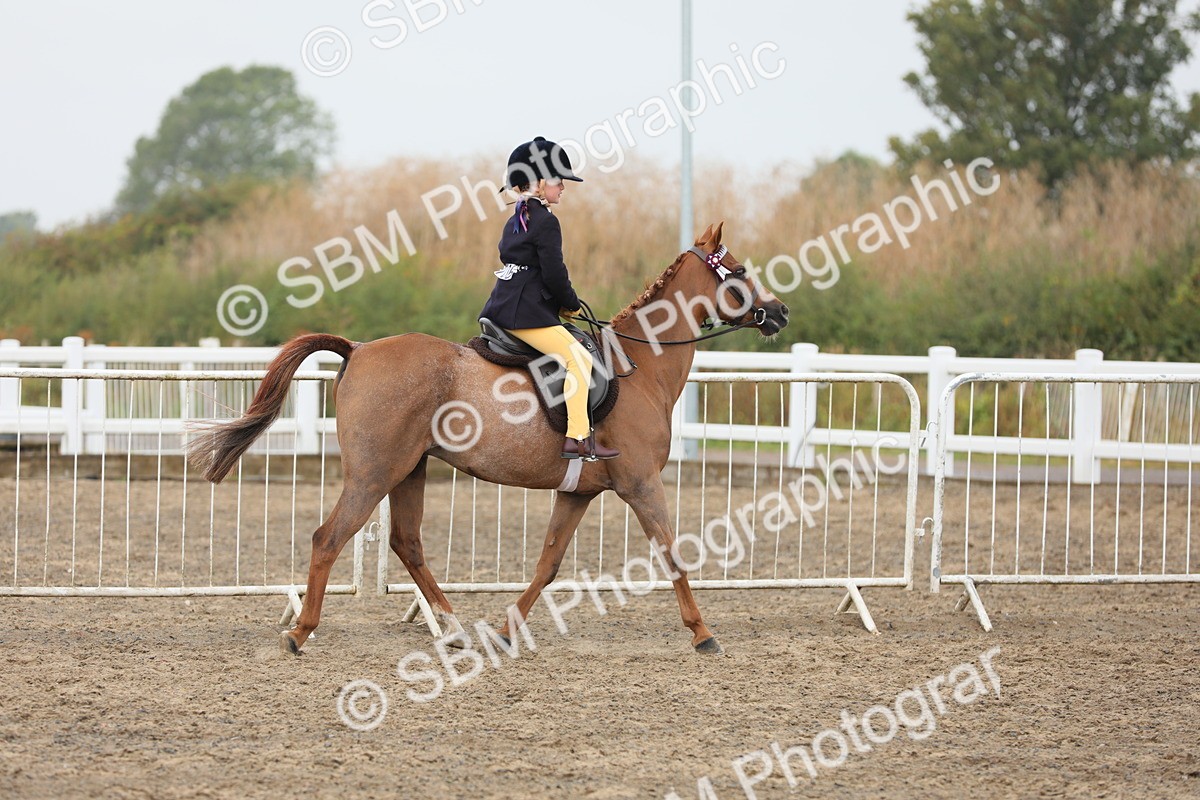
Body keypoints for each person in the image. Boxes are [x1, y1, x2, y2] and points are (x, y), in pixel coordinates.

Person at [479, 136, 619, 460]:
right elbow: (555, 273)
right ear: (539, 182)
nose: (563, 188)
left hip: (503, 307)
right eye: (558, 181)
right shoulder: (546, 221)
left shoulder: (516, 218)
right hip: (525, 315)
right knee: (579, 360)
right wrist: (570, 303)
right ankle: (578, 437)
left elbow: (525, 269)